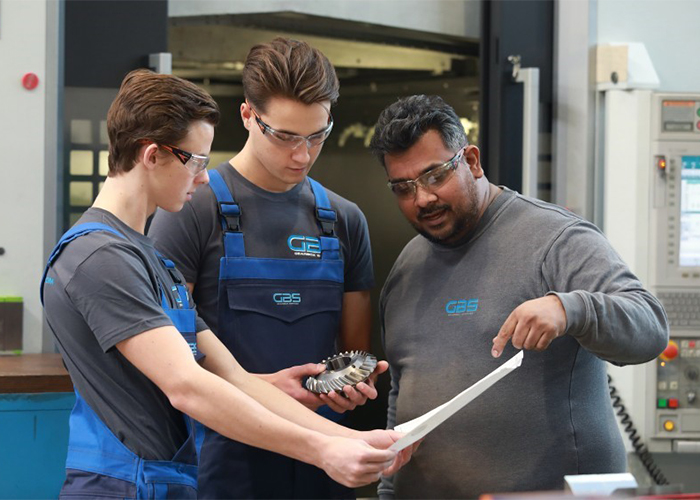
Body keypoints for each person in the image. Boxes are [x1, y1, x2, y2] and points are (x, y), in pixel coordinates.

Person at [40, 69, 412, 500]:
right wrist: (322, 449)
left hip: (163, 482)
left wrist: (350, 440)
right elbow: (188, 387)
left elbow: (235, 378)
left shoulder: (151, 260)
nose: (203, 178)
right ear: (152, 155)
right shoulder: (101, 259)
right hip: (120, 486)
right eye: (196, 161)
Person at [368, 94, 669, 498]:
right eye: (403, 187)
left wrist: (569, 308)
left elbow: (650, 328)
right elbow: (402, 400)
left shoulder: (556, 239)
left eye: (435, 175)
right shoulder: (407, 269)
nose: (422, 198)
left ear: (471, 161)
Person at [148, 38, 383, 499]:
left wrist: (354, 385)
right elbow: (166, 363)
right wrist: (264, 389)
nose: (302, 154)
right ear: (248, 117)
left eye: (317, 136)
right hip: (221, 464)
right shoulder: (192, 210)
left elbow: (355, 352)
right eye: (286, 136)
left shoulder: (344, 220)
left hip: (325, 466)